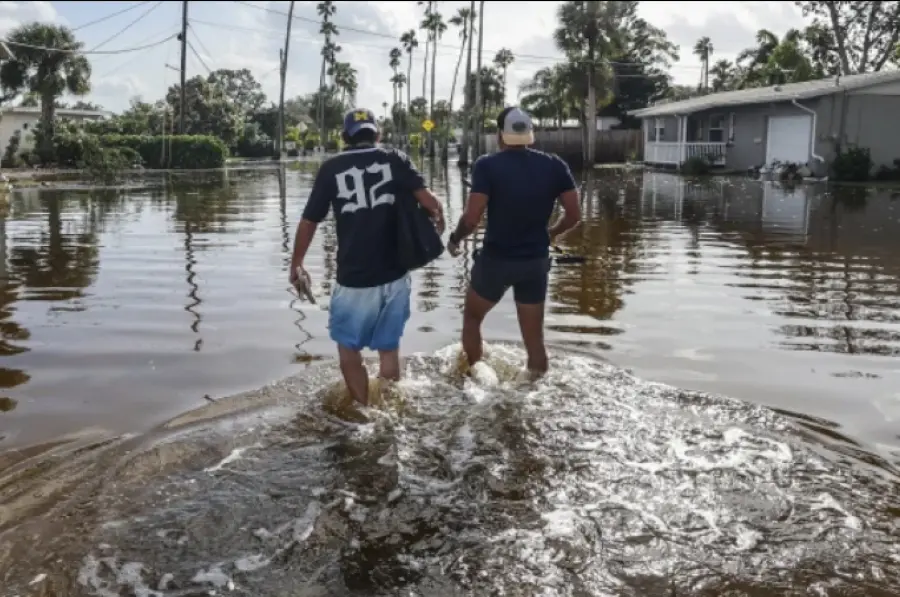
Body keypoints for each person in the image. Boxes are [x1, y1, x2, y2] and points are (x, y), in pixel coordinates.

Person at [290, 108, 445, 405]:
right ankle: (389, 408)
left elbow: (310, 221)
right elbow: (430, 203)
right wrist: (438, 217)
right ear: (377, 133)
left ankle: (363, 412)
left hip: (354, 278)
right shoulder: (394, 158)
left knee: (349, 351)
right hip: (395, 274)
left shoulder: (331, 168)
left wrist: (296, 262)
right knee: (389, 350)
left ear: (345, 136)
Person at [446, 106, 581, 376]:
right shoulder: (555, 165)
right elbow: (574, 215)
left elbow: (472, 219)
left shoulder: (487, 165)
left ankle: (475, 379)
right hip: (535, 262)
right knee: (535, 342)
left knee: (472, 319)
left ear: (500, 135)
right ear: (531, 134)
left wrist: (454, 239)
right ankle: (535, 389)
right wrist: (549, 235)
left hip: (497, 261)